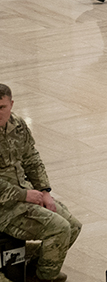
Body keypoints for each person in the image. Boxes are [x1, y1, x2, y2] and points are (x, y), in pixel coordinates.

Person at [0, 83, 82, 282]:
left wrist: (44, 191)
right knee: (59, 229)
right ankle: (47, 278)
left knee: (73, 226)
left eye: (1, 107)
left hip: (26, 196)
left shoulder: (18, 125)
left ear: (11, 104)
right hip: (4, 208)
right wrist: (24, 195)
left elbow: (32, 159)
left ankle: (38, 272)